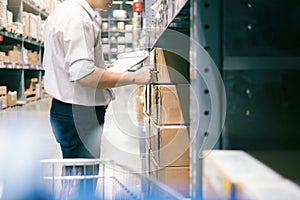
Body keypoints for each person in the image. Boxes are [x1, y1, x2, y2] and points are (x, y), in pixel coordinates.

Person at [42, 0, 153, 198]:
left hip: (69, 110)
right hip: (79, 113)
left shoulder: (65, 12)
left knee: (75, 178)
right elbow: (84, 75)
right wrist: (135, 77)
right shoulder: (77, 18)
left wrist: (101, 69)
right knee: (82, 183)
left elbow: (71, 66)